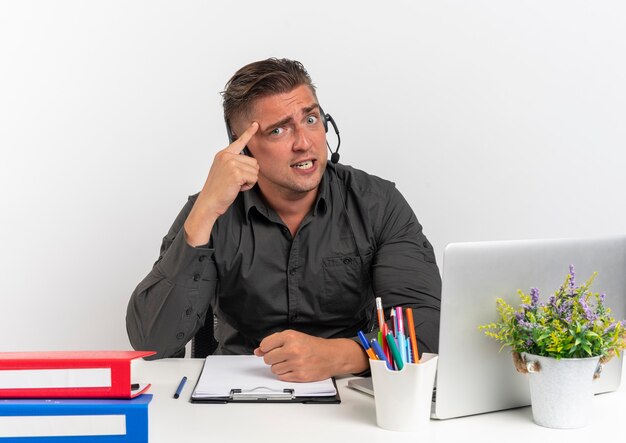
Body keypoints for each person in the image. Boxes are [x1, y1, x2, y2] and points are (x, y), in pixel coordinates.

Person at [126, 58, 441, 382]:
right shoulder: (211, 208)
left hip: (349, 390)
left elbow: (428, 327)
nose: (304, 143)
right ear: (244, 149)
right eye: (278, 130)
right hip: (235, 394)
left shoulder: (377, 204)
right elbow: (151, 343)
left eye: (311, 119)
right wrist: (205, 210)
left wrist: (338, 356)